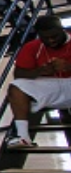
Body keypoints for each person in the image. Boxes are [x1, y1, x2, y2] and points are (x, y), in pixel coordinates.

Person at [6, 15, 71, 148]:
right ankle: (23, 137)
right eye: (45, 38)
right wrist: (40, 71)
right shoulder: (32, 47)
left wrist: (68, 66)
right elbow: (18, 74)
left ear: (63, 30)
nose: (51, 40)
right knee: (16, 86)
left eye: (54, 36)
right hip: (51, 85)